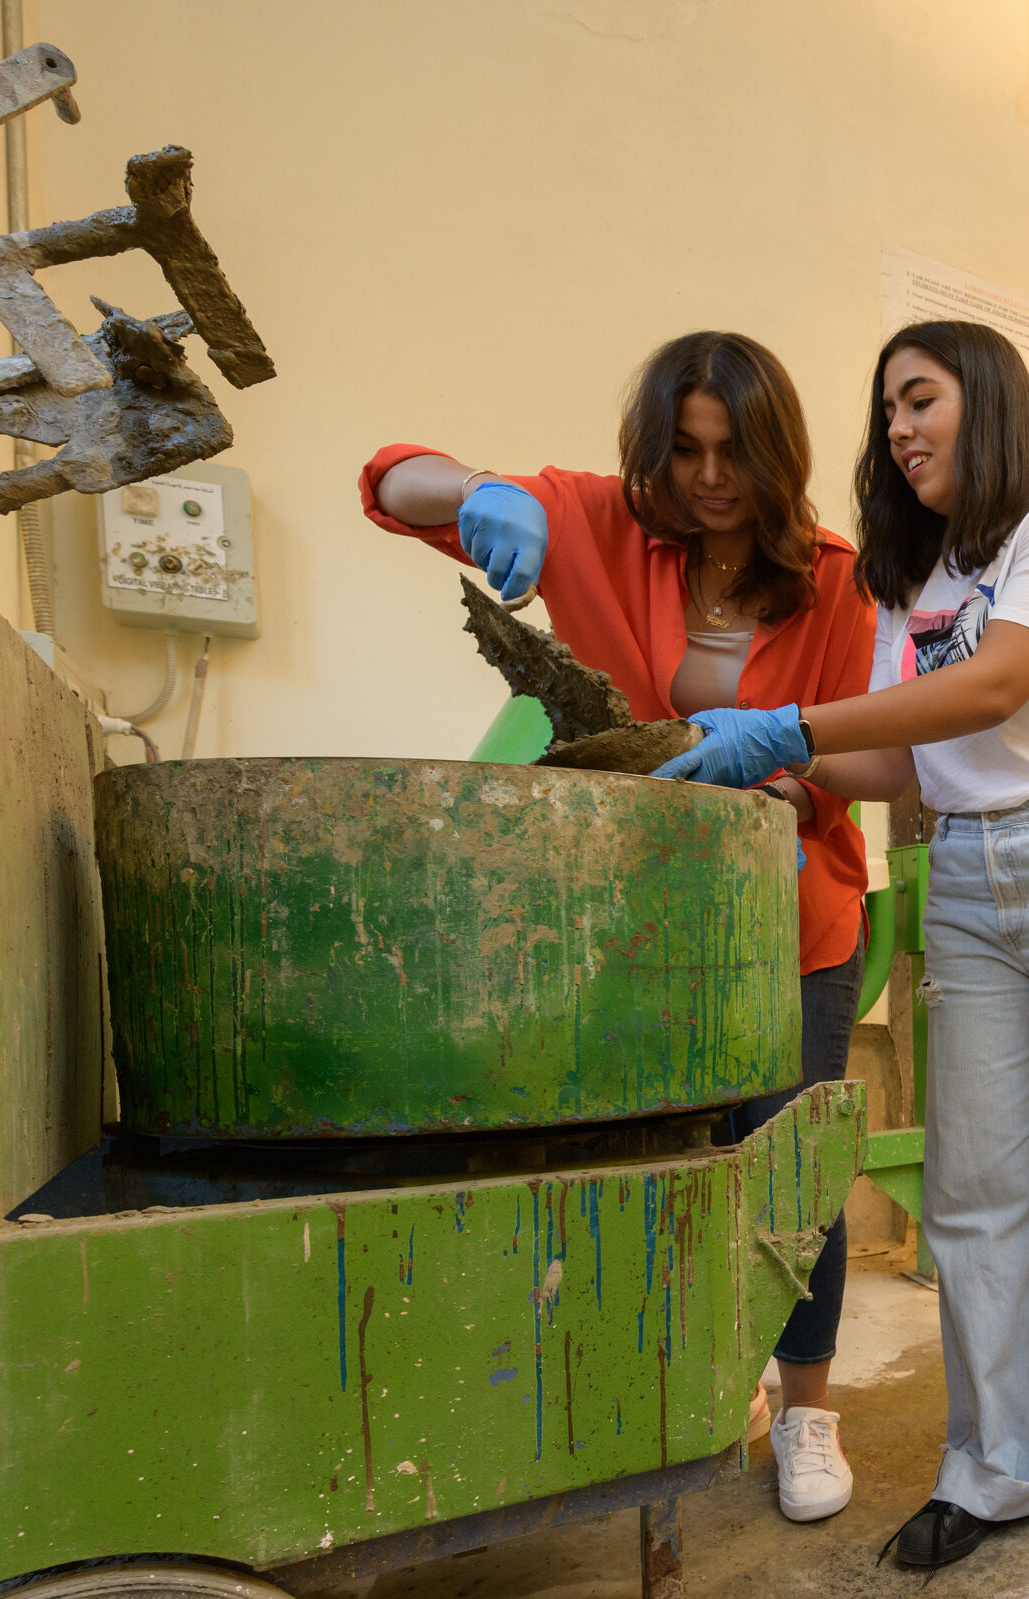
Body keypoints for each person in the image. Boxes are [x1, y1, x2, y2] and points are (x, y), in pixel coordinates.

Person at [659, 320, 1029, 1570]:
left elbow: (993, 688)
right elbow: (914, 754)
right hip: (961, 872)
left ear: (991, 399)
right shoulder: (915, 580)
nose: (899, 428)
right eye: (888, 409)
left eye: (923, 399)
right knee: (974, 1201)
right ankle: (998, 1469)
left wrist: (785, 726)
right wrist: (774, 764)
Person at [358, 330, 876, 1525]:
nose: (708, 478)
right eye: (684, 450)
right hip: (636, 924)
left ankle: (807, 1411)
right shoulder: (599, 525)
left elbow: (863, 747)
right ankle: (707, 1379)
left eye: (732, 452)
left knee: (791, 1164)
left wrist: (790, 772)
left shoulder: (835, 576)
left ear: (776, 452)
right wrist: (482, 492)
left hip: (790, 922)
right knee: (666, 1166)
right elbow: (389, 478)